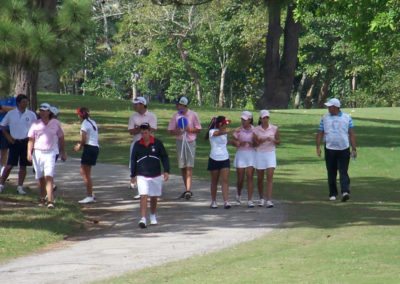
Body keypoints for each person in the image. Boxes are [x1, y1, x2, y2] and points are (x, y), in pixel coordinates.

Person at [316, 98, 357, 202]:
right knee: (331, 171)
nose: (328, 108)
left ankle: (345, 191)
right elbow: (320, 132)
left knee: (343, 170)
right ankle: (333, 193)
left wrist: (354, 148)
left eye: (330, 106)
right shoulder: (324, 118)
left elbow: (351, 133)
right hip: (329, 148)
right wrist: (318, 147)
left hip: (344, 147)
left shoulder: (347, 117)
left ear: (335, 107)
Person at [27, 102, 67, 209]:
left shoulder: (55, 123)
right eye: (41, 111)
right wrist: (29, 153)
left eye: (45, 111)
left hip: (50, 153)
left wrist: (63, 152)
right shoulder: (35, 123)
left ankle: (50, 200)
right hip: (38, 153)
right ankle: (42, 197)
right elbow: (31, 140)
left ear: (49, 112)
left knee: (49, 176)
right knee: (40, 178)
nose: (43, 113)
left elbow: (61, 138)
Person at [130, 123, 170, 229]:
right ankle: (143, 218)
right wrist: (133, 175)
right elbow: (133, 160)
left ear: (150, 132)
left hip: (155, 174)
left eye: (146, 132)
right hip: (141, 174)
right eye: (142, 133)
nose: (144, 135)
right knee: (143, 195)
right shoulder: (137, 144)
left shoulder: (157, 143)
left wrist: (166, 171)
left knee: (153, 197)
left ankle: (152, 215)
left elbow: (164, 157)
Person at [0, 94, 37, 194]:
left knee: (23, 166)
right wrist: (8, 137)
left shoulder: (31, 114)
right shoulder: (11, 114)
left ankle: (20, 187)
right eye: (23, 102)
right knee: (9, 165)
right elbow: (2, 126)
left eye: (26, 102)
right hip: (14, 142)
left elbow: (36, 128)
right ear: (18, 103)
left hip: (26, 141)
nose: (25, 104)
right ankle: (1, 184)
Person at [167, 96, 201, 200]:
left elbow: (198, 129)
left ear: (184, 105)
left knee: (189, 166)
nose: (177, 106)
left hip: (190, 142)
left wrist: (190, 129)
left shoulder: (193, 115)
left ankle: (188, 190)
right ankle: (187, 189)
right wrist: (177, 131)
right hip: (180, 141)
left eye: (178, 105)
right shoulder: (176, 116)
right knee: (182, 166)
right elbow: (170, 130)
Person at [128, 96, 157, 199]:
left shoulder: (151, 116)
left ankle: (147, 190)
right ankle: (141, 191)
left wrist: (139, 128)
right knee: (135, 166)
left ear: (142, 104)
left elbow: (152, 129)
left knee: (147, 167)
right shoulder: (133, 116)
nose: (134, 106)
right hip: (136, 143)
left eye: (136, 104)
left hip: (148, 144)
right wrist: (143, 128)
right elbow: (131, 131)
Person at [253, 110, 280, 208]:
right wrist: (262, 140)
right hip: (260, 154)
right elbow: (255, 144)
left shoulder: (274, 128)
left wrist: (273, 140)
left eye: (267, 117)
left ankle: (269, 200)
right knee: (260, 178)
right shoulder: (256, 130)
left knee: (269, 177)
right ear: (260, 119)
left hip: (270, 153)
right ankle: (261, 198)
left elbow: (278, 141)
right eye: (264, 118)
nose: (265, 119)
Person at [74, 107, 100, 204]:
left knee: (85, 173)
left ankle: (89, 195)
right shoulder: (92, 121)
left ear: (80, 115)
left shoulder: (84, 124)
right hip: (95, 147)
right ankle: (91, 193)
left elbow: (84, 139)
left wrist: (79, 146)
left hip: (89, 148)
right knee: (84, 172)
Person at [205, 116, 232, 209]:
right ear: (220, 124)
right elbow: (217, 134)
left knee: (225, 180)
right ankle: (213, 201)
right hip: (214, 158)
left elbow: (224, 142)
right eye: (225, 123)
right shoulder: (212, 131)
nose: (226, 125)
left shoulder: (224, 133)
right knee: (214, 181)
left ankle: (226, 201)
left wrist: (235, 142)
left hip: (225, 158)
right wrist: (227, 131)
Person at [232, 111, 255, 208]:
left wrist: (252, 143)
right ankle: (239, 195)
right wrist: (237, 143)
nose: (243, 121)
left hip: (251, 155)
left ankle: (250, 200)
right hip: (241, 154)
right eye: (242, 119)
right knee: (240, 178)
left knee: (249, 176)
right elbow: (233, 141)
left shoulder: (255, 130)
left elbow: (258, 143)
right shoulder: (238, 130)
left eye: (245, 120)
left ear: (249, 120)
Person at [0, 96, 17, 176]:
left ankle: (2, 170)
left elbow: (15, 110)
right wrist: (6, 109)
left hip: (6, 128)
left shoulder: (12, 99)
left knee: (4, 149)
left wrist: (2, 107)